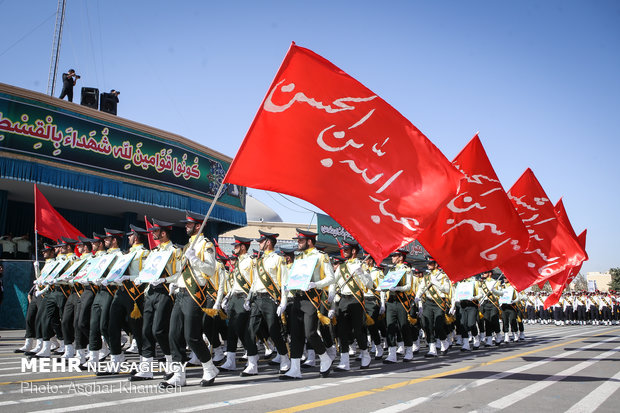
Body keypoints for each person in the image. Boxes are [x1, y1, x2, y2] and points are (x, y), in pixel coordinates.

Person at [159, 211, 219, 388]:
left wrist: (194, 259)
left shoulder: (206, 245)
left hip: (194, 294)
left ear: (198, 226)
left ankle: (209, 368)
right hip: (181, 293)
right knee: (173, 334)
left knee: (191, 336)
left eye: (189, 224)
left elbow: (210, 270)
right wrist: (173, 283)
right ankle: (179, 375)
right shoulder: (187, 246)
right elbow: (181, 271)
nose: (186, 226)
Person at [280, 228, 335, 380]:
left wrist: (315, 284)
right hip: (297, 297)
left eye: (300, 241)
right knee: (296, 334)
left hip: (311, 298)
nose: (298, 243)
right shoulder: (299, 258)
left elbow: (331, 278)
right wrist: (288, 286)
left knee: (310, 333)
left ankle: (325, 358)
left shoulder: (321, 256)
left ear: (309, 241)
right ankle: (295, 369)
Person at [130, 219, 181, 382]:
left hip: (165, 292)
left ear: (163, 233)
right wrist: (143, 283)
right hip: (151, 292)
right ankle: (146, 369)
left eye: (156, 231)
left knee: (159, 330)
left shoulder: (175, 251)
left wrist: (165, 281)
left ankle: (170, 362)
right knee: (146, 331)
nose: (152, 233)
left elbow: (179, 274)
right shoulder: (154, 251)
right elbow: (147, 271)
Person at [244, 230, 290, 376]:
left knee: (274, 331)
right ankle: (252, 364)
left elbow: (284, 282)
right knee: (250, 331)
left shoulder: (278, 259)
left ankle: (284, 358)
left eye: (261, 241)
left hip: (270, 299)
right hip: (257, 299)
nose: (259, 244)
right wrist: (248, 298)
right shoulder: (259, 261)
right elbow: (255, 282)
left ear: (268, 242)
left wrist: (283, 302)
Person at [329, 240, 373, 371]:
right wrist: (331, 294)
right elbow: (333, 281)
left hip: (356, 301)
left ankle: (365, 354)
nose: (344, 252)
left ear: (354, 251)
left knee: (357, 331)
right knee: (342, 331)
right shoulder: (342, 267)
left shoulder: (362, 265)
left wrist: (361, 273)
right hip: (343, 300)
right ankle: (344, 362)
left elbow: (370, 285)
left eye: (346, 250)